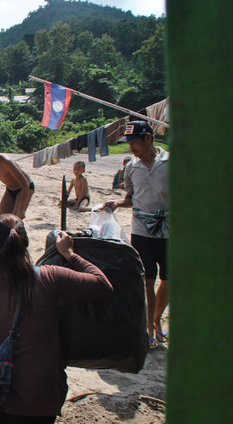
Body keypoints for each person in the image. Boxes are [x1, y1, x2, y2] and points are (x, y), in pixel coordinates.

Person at [0, 214, 112, 423]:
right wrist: (69, 254)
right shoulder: (50, 277)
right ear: (25, 242)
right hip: (41, 399)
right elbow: (102, 285)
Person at [102, 121, 169, 348]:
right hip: (141, 230)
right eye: (129, 143)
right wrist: (117, 203)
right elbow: (131, 198)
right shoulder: (131, 167)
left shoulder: (171, 163)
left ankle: (157, 318)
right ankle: (149, 328)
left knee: (169, 279)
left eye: (135, 143)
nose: (131, 148)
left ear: (149, 138)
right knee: (147, 279)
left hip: (170, 229)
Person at [0, 135, 35, 220]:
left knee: (15, 218)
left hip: (25, 186)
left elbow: (25, 184)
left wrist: (21, 209)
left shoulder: (6, 161)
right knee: (1, 220)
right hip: (10, 189)